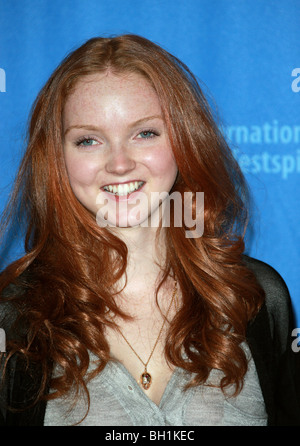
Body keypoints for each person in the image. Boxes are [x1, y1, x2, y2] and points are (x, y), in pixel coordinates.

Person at [0, 34, 299, 426]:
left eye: (145, 133)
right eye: (88, 140)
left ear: (184, 139)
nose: (120, 163)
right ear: (57, 157)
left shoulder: (257, 297)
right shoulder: (18, 316)